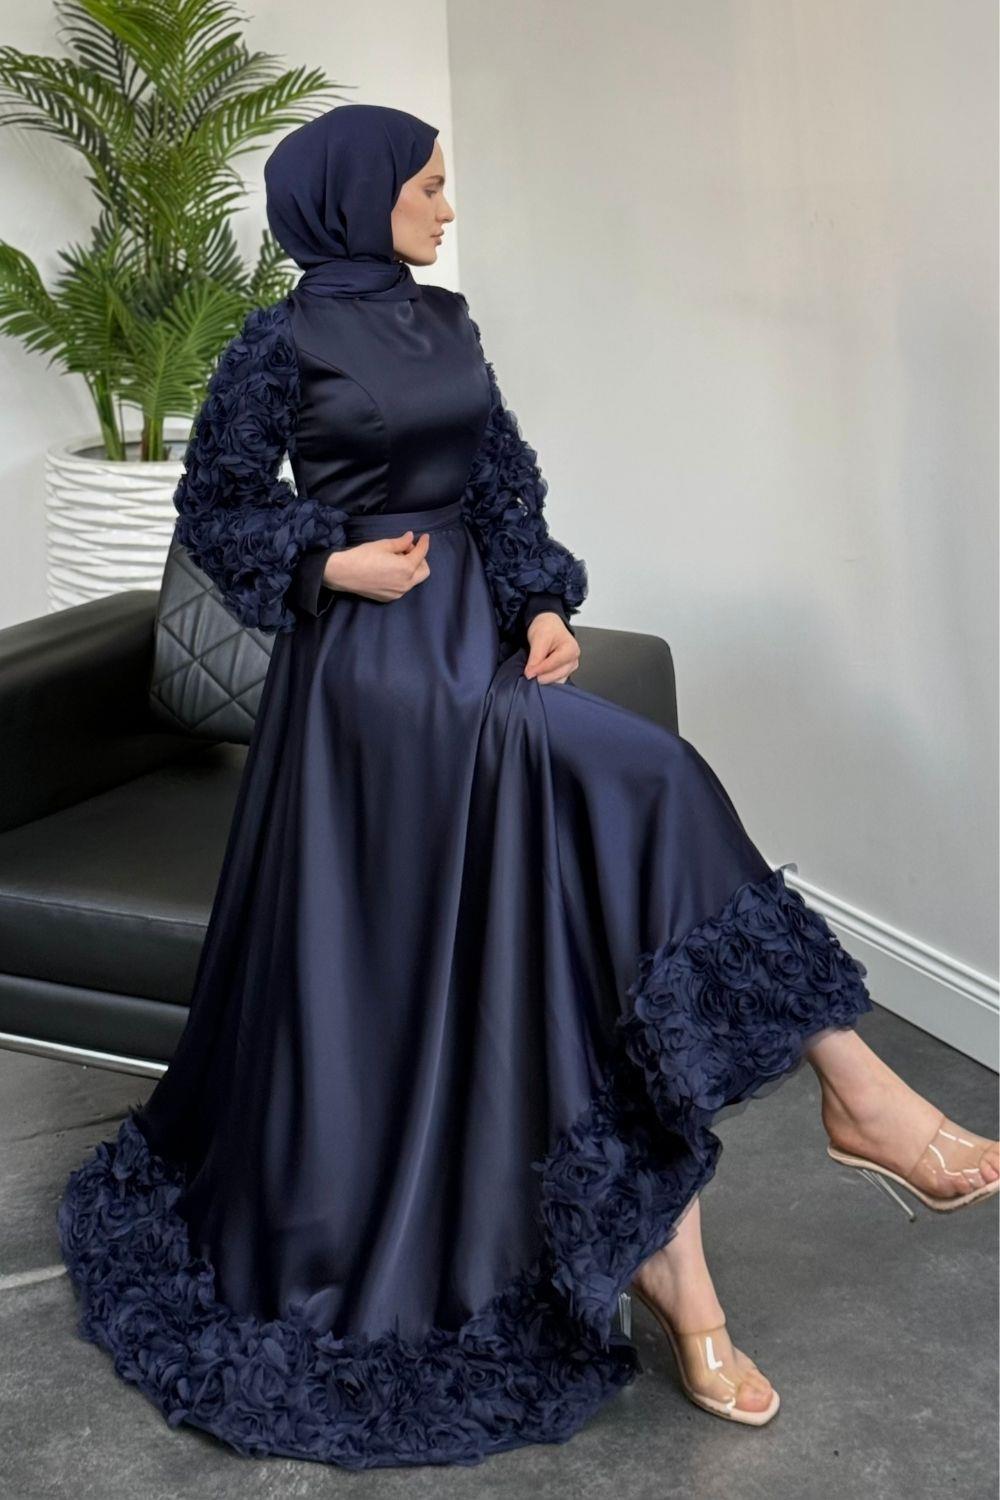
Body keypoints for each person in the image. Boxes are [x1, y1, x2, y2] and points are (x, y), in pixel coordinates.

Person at [57, 103, 999, 1469]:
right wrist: (328, 559)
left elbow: (501, 489)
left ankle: (713, 1247)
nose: (447, 208)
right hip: (371, 682)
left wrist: (545, 602)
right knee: (654, 773)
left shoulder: (448, 326)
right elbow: (215, 509)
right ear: (358, 195)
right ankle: (851, 1095)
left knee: (596, 904)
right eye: (429, 185)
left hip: (480, 647)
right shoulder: (279, 342)